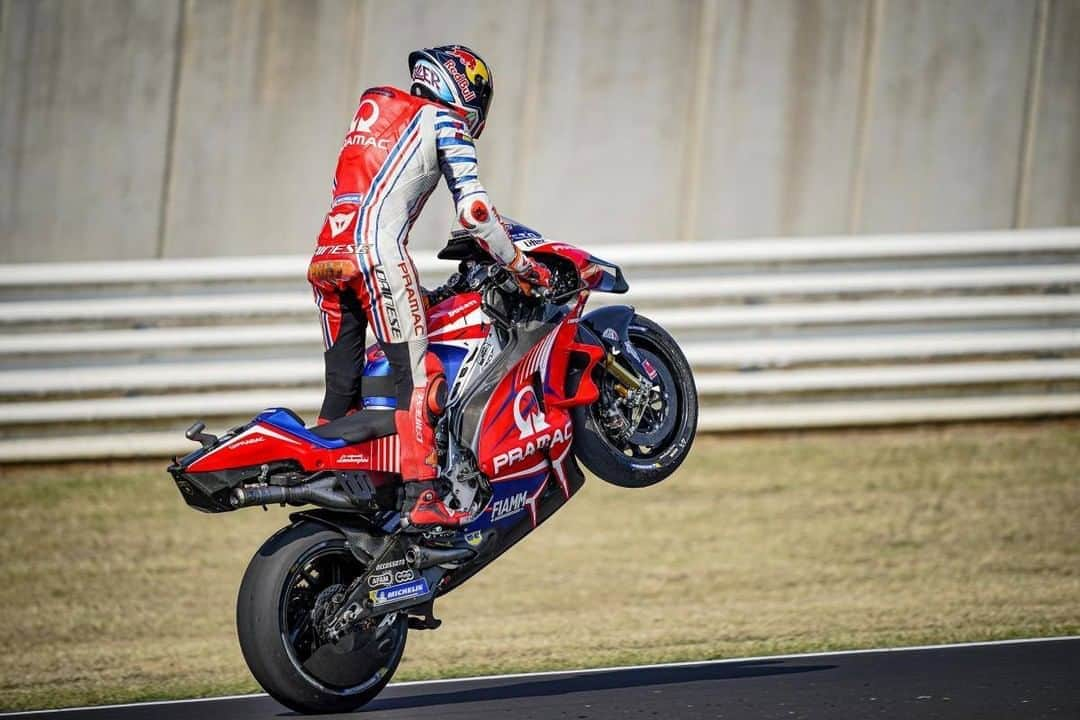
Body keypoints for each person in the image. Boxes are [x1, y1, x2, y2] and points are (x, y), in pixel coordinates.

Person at [307, 45, 551, 530]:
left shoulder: (375, 111)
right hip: (378, 258)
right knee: (420, 381)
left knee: (342, 388)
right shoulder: (444, 121)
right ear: (462, 86)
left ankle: (335, 476)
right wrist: (521, 264)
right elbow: (475, 214)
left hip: (325, 259)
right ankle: (424, 497)